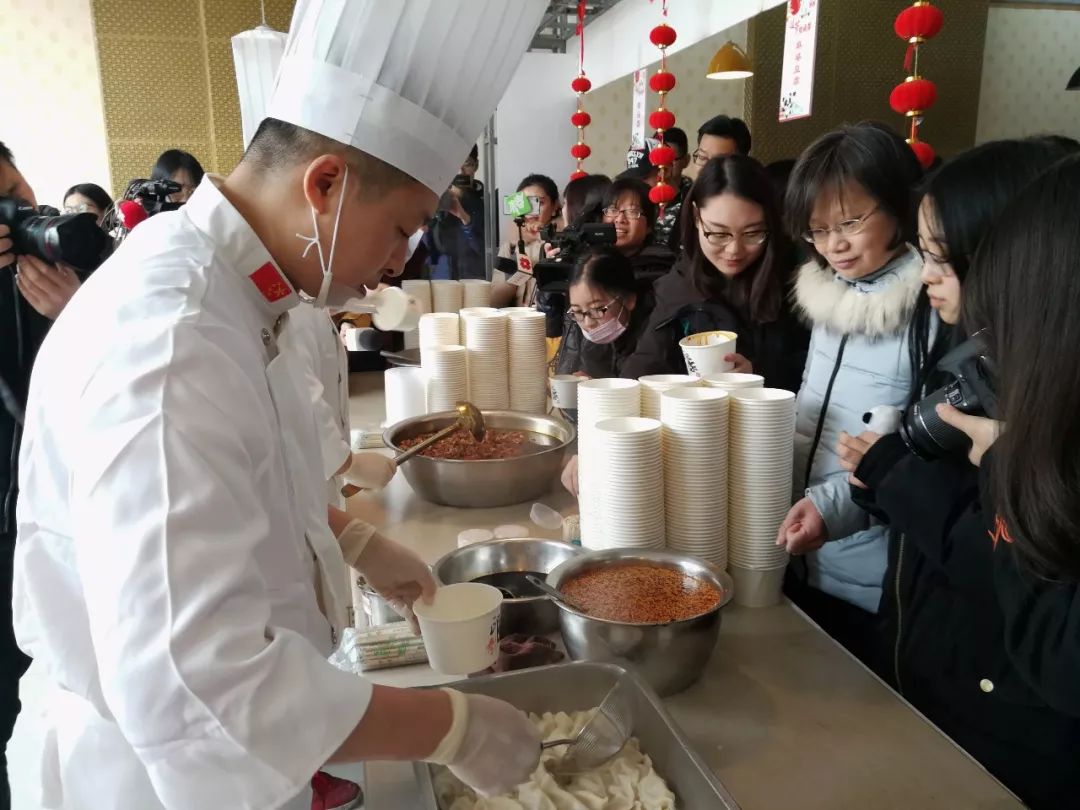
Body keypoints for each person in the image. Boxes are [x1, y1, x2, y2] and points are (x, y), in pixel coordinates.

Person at [11, 2, 548, 808]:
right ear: (325, 183)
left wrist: (353, 538)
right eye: (399, 228)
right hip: (151, 780)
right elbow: (196, 687)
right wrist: (448, 726)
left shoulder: (240, 296)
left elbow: (236, 490)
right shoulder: (171, 341)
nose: (397, 265)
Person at [833, 139, 1080, 810]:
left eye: (940, 258)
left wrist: (907, 478)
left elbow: (993, 556)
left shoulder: (1047, 402)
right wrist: (882, 489)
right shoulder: (976, 357)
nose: (927, 277)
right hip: (926, 668)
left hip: (1009, 727)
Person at [775, 122, 924, 661]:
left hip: (875, 570)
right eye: (817, 230)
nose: (833, 244)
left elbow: (917, 448)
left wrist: (834, 506)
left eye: (851, 221)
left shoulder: (928, 308)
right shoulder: (831, 298)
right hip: (805, 545)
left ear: (900, 205)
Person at [1, 141, 103, 810]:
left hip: (63, 528)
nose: (10, 215)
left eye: (13, 190)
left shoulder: (76, 259)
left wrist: (77, 314)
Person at [621, 155, 807, 389]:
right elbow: (644, 366)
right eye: (719, 234)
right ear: (697, 217)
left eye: (752, 234)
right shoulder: (677, 287)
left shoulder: (795, 285)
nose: (734, 250)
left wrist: (758, 373)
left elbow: (816, 370)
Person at [554, 248, 655, 379]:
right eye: (577, 311)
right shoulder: (591, 347)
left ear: (629, 300)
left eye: (597, 309)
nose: (588, 323)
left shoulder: (655, 337)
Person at [492, 173, 560, 307]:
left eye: (538, 203)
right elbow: (494, 303)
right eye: (524, 204)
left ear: (554, 207)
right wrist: (516, 277)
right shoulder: (511, 246)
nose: (530, 212)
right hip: (518, 323)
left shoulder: (561, 244)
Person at [600, 177, 675, 287]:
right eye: (612, 210)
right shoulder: (592, 260)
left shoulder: (661, 267)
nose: (620, 219)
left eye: (632, 212)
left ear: (649, 225)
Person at [651, 127, 693, 252]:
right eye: (658, 157)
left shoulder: (693, 199)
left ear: (686, 161)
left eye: (670, 159)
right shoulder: (640, 194)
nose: (663, 164)